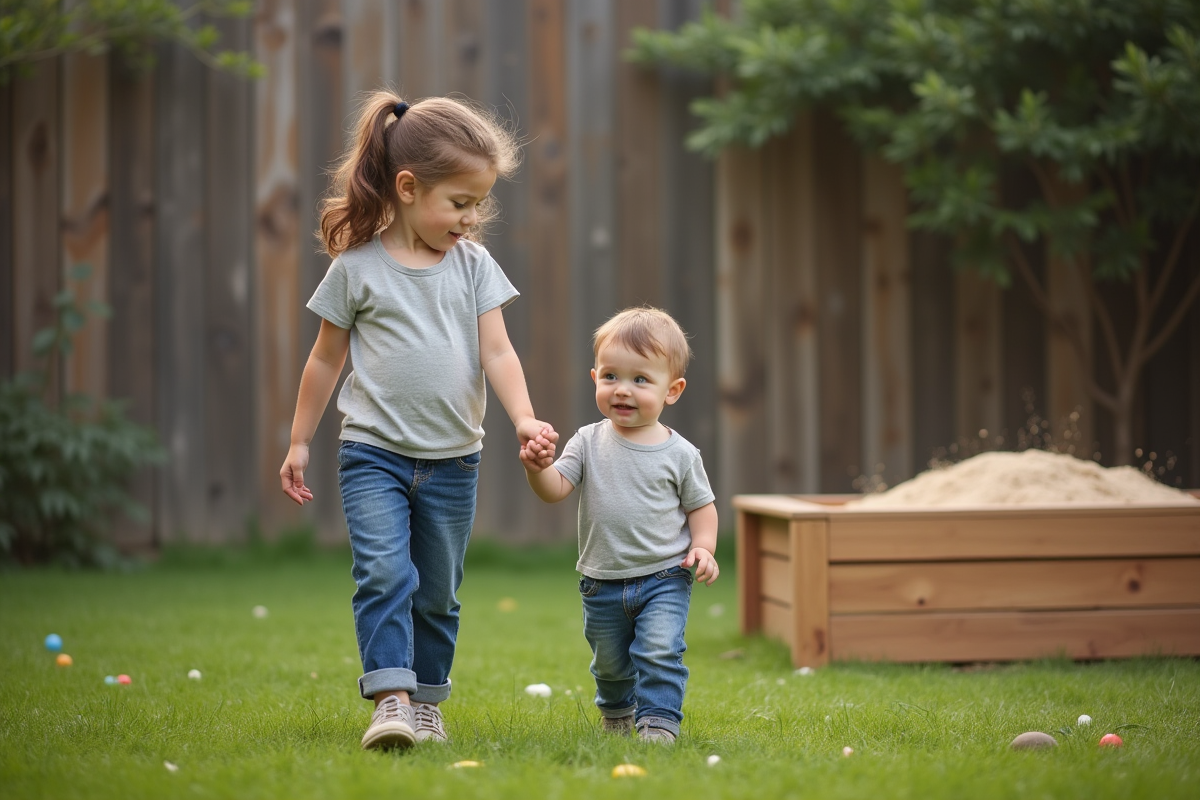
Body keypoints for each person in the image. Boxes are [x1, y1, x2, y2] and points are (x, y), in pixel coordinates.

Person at [279, 92, 557, 751]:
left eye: (479, 203)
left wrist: (523, 418)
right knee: (383, 573)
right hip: (372, 452)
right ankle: (391, 700)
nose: (471, 217)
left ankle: (427, 701)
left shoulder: (473, 267)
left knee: (437, 592)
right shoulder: (357, 270)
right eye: (459, 202)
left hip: (454, 459)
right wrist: (297, 440)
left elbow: (498, 350)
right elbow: (324, 359)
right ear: (408, 187)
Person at [520, 306, 718, 743]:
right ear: (595, 378)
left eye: (640, 380)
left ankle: (659, 723)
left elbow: (701, 506)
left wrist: (703, 546)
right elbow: (555, 489)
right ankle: (617, 711)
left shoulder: (681, 454)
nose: (622, 390)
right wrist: (538, 468)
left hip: (666, 574)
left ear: (673, 390)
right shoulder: (587, 441)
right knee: (609, 662)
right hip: (602, 580)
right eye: (611, 376)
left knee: (661, 651)